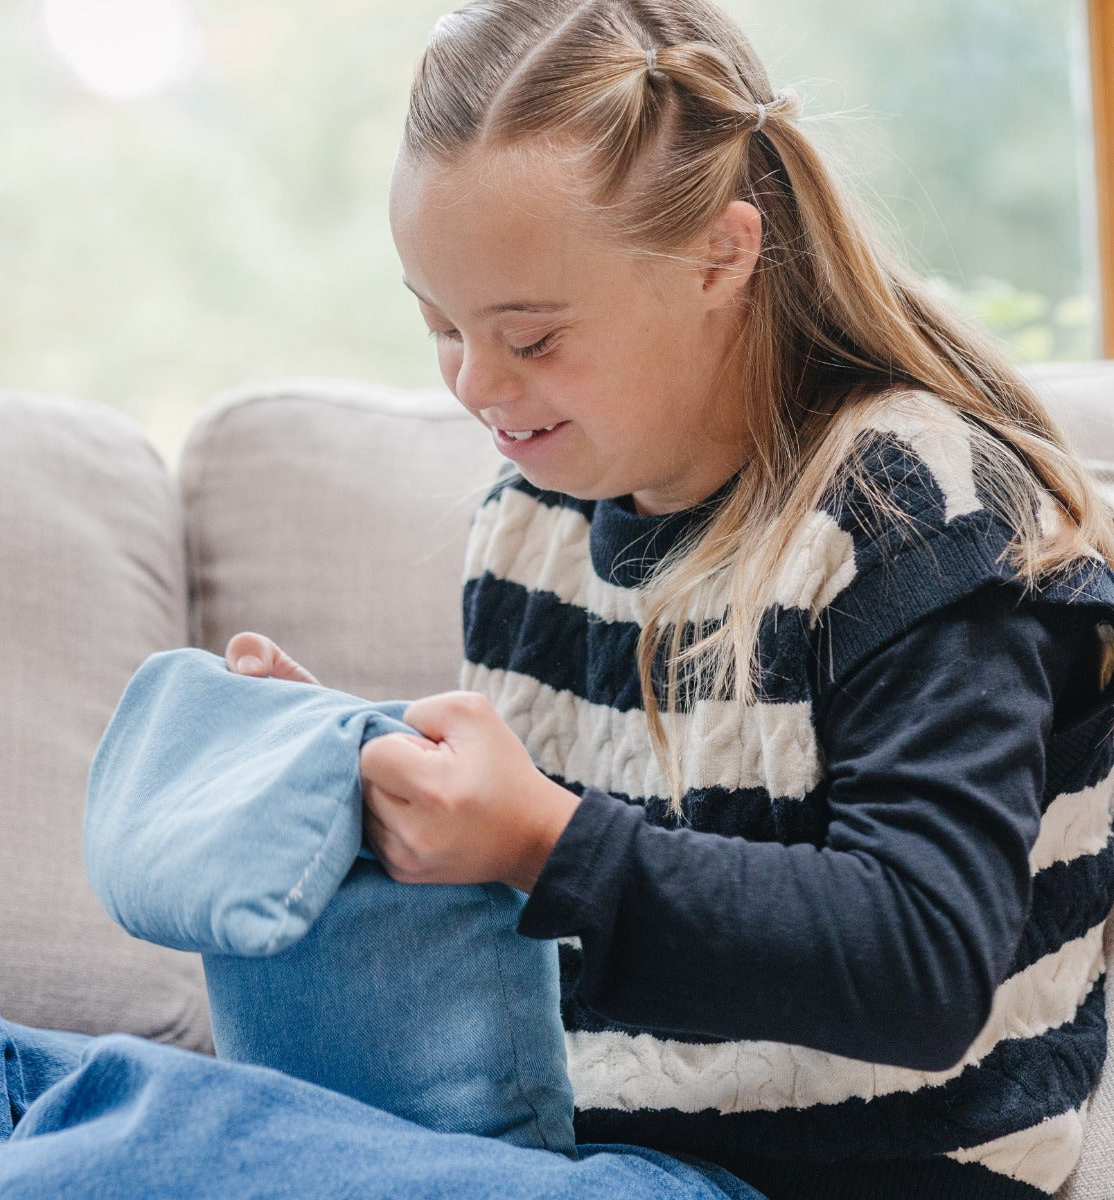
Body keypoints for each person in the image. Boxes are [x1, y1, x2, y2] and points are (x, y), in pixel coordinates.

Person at [222, 1, 1114, 1198]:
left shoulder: (908, 514)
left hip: (862, 1172)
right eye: (440, 324)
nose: (477, 383)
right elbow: (574, 926)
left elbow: (922, 963)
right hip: (590, 1150)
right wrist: (363, 787)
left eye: (530, 337)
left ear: (719, 255)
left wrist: (541, 838)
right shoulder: (530, 525)